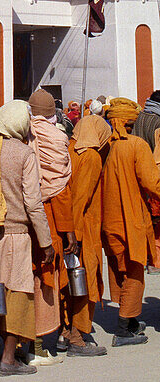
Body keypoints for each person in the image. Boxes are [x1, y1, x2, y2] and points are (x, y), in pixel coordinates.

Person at [0, 100, 54, 376]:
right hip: (15, 233)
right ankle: (8, 359)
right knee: (18, 294)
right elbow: (33, 203)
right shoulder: (23, 153)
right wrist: (45, 241)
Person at [102, 97, 160, 345]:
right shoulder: (136, 145)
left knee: (120, 268)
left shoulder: (106, 145)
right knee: (135, 270)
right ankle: (124, 327)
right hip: (131, 217)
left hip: (108, 219)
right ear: (130, 121)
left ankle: (131, 317)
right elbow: (152, 182)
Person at [28, 88, 77, 363]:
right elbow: (60, 188)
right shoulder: (58, 137)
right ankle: (51, 335)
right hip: (52, 219)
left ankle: (37, 337)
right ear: (52, 114)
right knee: (53, 277)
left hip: (29, 214)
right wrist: (68, 229)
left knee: (34, 275)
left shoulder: (25, 134)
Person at [67, 114, 111, 355]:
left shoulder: (71, 148)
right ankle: (78, 336)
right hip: (84, 228)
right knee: (87, 280)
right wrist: (74, 233)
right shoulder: (92, 157)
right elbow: (80, 199)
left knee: (72, 282)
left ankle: (67, 332)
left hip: (70, 227)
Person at [134, 90, 160, 267]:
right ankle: (154, 260)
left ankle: (142, 257)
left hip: (136, 172)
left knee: (141, 217)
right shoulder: (158, 121)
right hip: (153, 174)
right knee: (155, 219)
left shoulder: (138, 117)